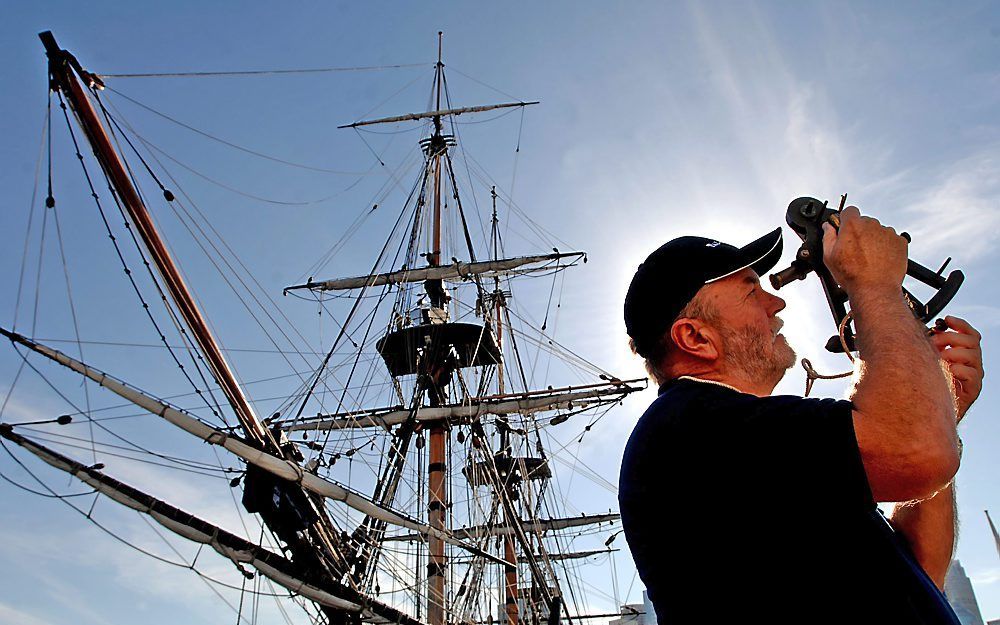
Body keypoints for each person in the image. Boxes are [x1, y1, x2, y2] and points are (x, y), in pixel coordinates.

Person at [618, 206, 984, 624]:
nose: (776, 303)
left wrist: (941, 409)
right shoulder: (689, 430)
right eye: (751, 291)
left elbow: (922, 568)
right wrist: (875, 285)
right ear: (695, 337)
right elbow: (917, 453)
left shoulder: (743, 441)